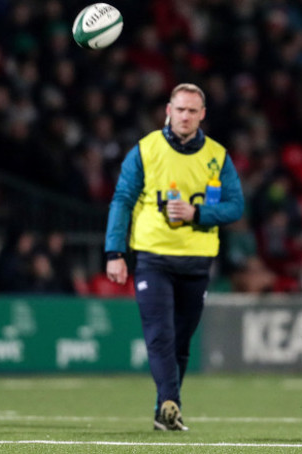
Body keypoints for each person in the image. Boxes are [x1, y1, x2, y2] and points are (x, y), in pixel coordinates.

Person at [105, 83, 244, 431]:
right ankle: (172, 402)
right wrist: (115, 252)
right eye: (179, 109)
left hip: (197, 261)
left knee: (181, 341)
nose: (185, 116)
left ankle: (162, 410)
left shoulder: (217, 155)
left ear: (202, 115)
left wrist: (196, 213)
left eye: (192, 111)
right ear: (168, 110)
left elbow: (236, 206)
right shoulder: (145, 150)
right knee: (160, 334)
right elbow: (122, 199)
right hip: (153, 256)